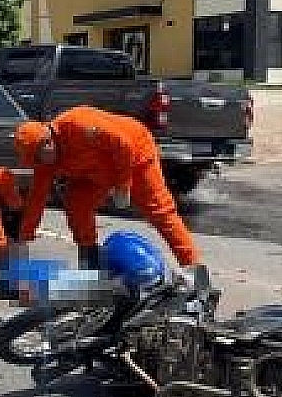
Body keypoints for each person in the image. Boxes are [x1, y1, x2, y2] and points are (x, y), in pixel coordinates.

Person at [12, 105, 202, 272]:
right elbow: (37, 199)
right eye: (35, 161)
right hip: (96, 173)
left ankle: (194, 269)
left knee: (160, 211)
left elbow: (123, 146)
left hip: (135, 154)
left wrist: (123, 187)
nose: (42, 164)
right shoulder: (44, 161)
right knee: (77, 204)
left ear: (47, 141)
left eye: (40, 157)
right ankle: (90, 265)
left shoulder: (80, 124)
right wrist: (23, 238)